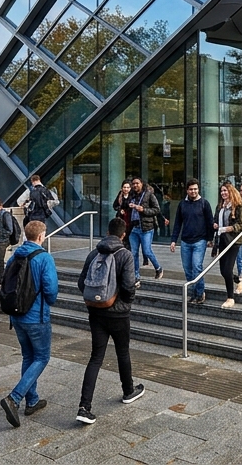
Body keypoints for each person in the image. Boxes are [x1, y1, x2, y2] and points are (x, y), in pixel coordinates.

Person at [77, 217, 143, 424]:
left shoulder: (93, 253)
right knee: (122, 352)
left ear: (107, 231)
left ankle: (84, 407)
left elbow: (81, 283)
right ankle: (128, 391)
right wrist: (126, 302)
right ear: (124, 235)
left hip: (96, 312)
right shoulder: (125, 255)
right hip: (119, 313)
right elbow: (129, 285)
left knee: (96, 357)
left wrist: (96, 300)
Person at [0, 220, 59, 428]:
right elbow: (51, 291)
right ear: (41, 236)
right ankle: (14, 398)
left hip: (16, 316)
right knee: (42, 357)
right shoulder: (44, 258)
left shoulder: (14, 256)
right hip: (37, 317)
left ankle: (32, 400)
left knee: (28, 356)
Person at [170, 179, 214, 304]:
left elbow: (210, 222)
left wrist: (210, 239)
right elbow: (178, 223)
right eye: (190, 189)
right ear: (187, 190)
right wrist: (173, 240)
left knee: (197, 267)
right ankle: (194, 292)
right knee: (187, 269)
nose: (193, 191)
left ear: (198, 189)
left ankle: (200, 293)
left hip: (200, 241)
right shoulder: (182, 204)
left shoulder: (204, 204)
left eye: (195, 189)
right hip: (185, 242)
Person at [213, 182, 242, 308]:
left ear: (231, 192)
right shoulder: (220, 207)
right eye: (222, 191)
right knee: (223, 271)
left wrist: (230, 228)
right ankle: (239, 280)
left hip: (234, 241)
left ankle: (230, 298)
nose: (223, 193)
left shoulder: (238, 206)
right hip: (222, 240)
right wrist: (215, 225)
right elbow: (216, 219)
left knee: (227, 269)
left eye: (225, 191)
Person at [123, 177, 164, 284]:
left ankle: (158, 268)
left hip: (146, 228)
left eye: (137, 183)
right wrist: (126, 202)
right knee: (134, 253)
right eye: (133, 184)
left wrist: (143, 209)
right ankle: (136, 276)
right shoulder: (131, 195)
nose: (135, 185)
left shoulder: (149, 195)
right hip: (134, 228)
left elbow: (157, 209)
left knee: (147, 251)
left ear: (142, 184)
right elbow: (122, 206)